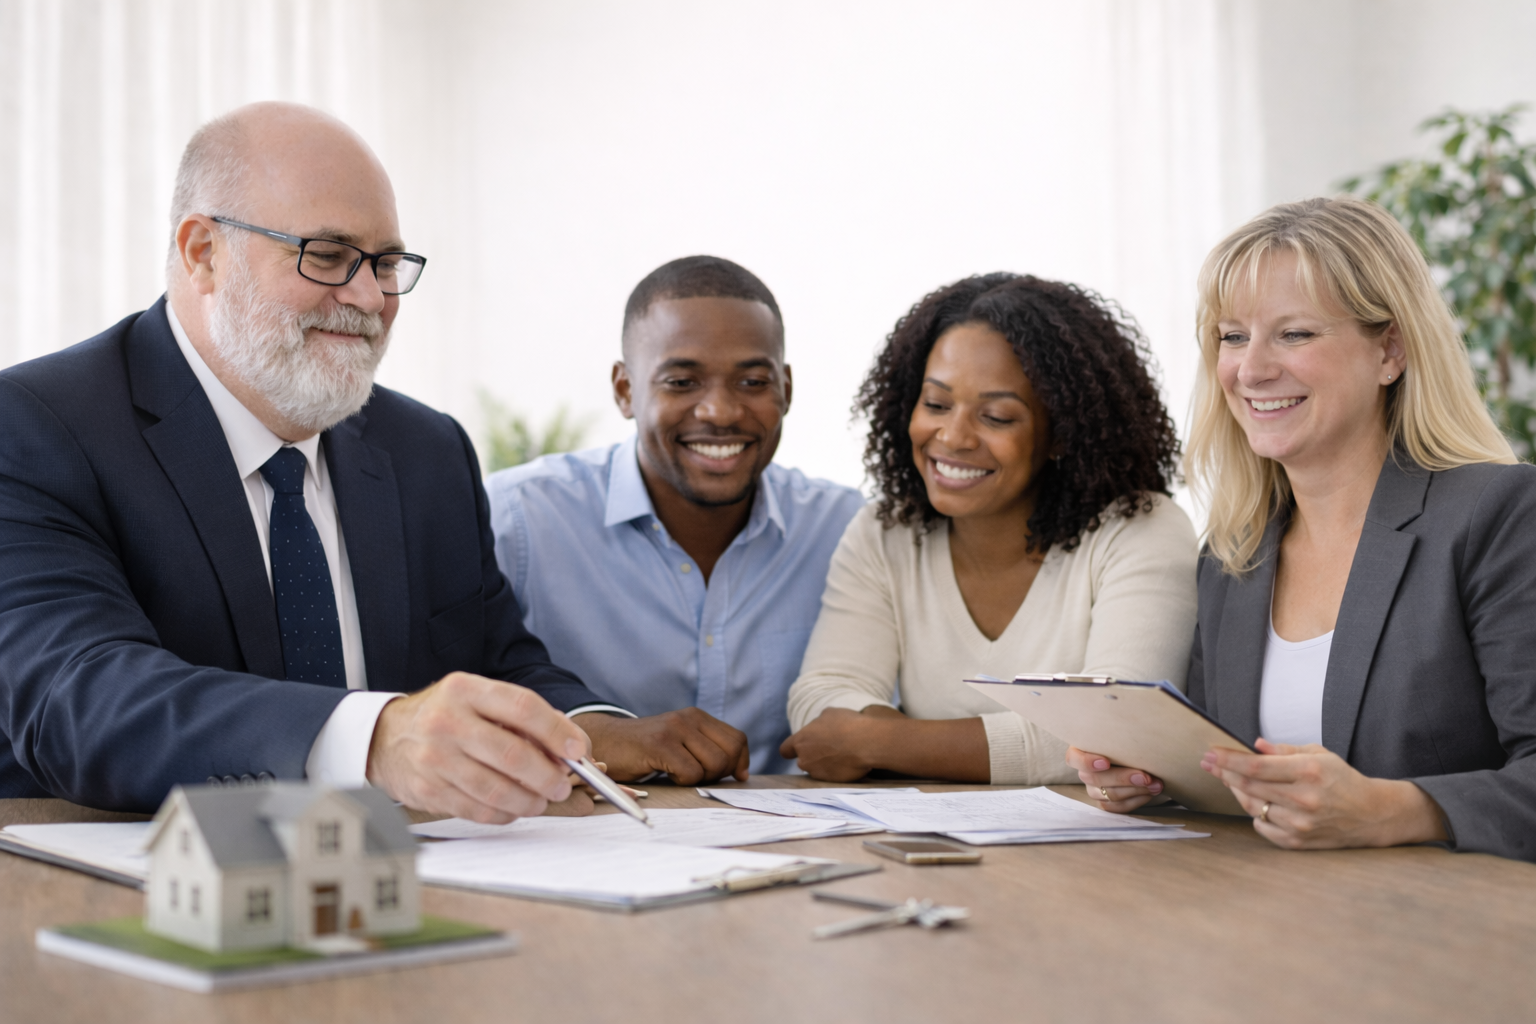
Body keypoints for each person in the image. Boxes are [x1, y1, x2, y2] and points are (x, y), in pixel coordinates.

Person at [0, 102, 745, 817]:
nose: (368, 297)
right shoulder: (38, 425)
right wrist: (374, 738)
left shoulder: (426, 450)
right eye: (328, 256)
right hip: (130, 880)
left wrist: (589, 730)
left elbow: (494, 665)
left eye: (386, 263)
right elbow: (79, 700)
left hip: (413, 871)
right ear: (204, 253)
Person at [1070, 196, 1536, 862]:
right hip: (1280, 909)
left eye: (1294, 334)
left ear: (1390, 350)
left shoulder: (1499, 514)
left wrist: (1394, 810)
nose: (1251, 369)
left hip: (1452, 917)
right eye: (1233, 336)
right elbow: (1232, 776)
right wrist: (1153, 780)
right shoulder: (1232, 555)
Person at [782, 273, 1198, 783]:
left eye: (997, 417)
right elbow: (824, 693)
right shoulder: (886, 532)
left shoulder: (1141, 530)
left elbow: (1119, 726)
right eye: (936, 405)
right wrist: (881, 740)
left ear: (1062, 434)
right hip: (926, 830)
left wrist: (876, 742)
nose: (953, 436)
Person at [485, 257, 864, 776]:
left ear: (787, 389)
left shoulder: (847, 529)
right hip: (590, 822)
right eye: (682, 382)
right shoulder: (519, 519)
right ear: (625, 390)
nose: (720, 412)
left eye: (753, 381)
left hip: (800, 825)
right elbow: (449, 699)